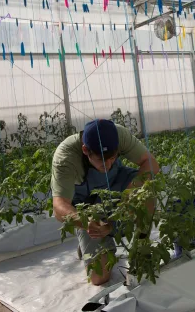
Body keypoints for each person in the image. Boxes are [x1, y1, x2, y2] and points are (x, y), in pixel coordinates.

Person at [51, 119, 159, 285]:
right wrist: (86, 222)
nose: (108, 164)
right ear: (86, 150)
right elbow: (59, 207)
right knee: (99, 277)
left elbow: (150, 163)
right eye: (102, 160)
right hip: (88, 207)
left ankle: (140, 251)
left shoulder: (118, 134)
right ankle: (90, 238)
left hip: (117, 186)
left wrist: (130, 194)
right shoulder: (66, 157)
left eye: (113, 158)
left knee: (147, 192)